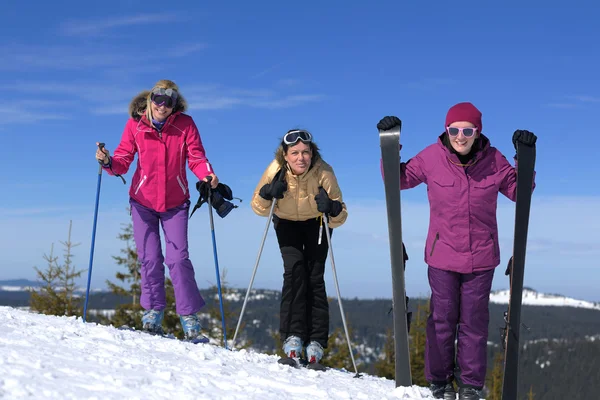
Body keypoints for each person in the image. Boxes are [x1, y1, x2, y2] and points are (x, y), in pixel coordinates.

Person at [377, 102, 537, 400]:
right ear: (446, 130)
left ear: (478, 132)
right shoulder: (431, 157)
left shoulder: (494, 160)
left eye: (467, 130)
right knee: (442, 319)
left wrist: (523, 159)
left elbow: (520, 192)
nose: (460, 136)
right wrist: (390, 146)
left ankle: (470, 386)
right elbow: (397, 180)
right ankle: (439, 383)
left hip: (481, 257)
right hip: (442, 256)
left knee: (474, 323)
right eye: (454, 130)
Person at [95, 79, 218, 341]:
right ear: (150, 99)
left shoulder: (185, 124)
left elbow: (196, 157)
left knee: (178, 259)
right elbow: (123, 160)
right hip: (142, 203)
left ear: (175, 104)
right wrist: (108, 161)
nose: (163, 105)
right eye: (158, 99)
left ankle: (188, 316)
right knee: (150, 258)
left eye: (169, 100)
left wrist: (207, 175)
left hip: (175, 202)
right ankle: (153, 312)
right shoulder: (135, 125)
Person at [250, 129, 348, 366]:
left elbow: (341, 214)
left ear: (312, 153)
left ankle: (315, 341)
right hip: (287, 224)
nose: (301, 157)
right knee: (294, 273)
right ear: (285, 155)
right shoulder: (276, 170)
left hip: (316, 223)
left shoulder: (323, 171)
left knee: (314, 277)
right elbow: (258, 207)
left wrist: (332, 208)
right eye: (294, 153)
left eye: (305, 152)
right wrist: (267, 193)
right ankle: (292, 337)